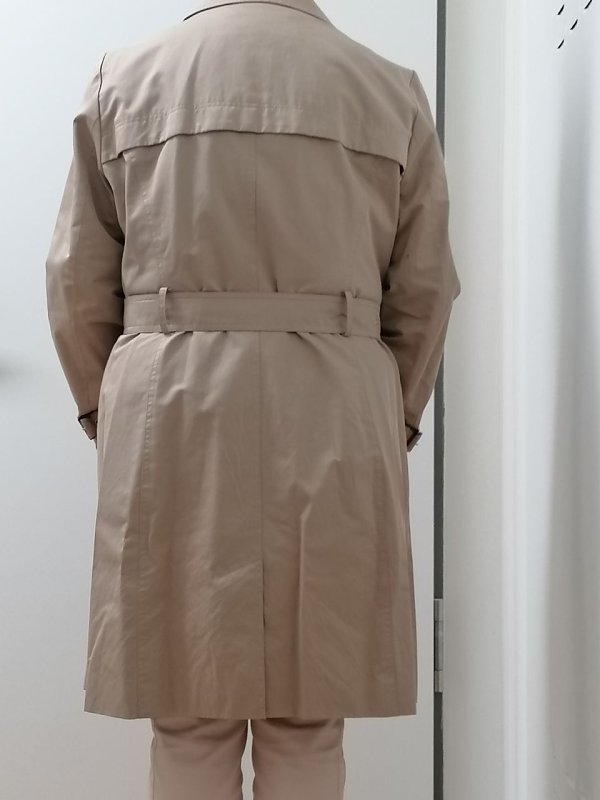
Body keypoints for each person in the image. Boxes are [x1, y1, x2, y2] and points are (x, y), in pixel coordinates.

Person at [45, 0, 461, 797]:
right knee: (309, 719)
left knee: (187, 716)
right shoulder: (388, 88)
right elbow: (427, 287)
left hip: (170, 410)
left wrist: (110, 411)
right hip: (336, 408)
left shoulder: (121, 81)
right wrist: (393, 414)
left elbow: (75, 280)